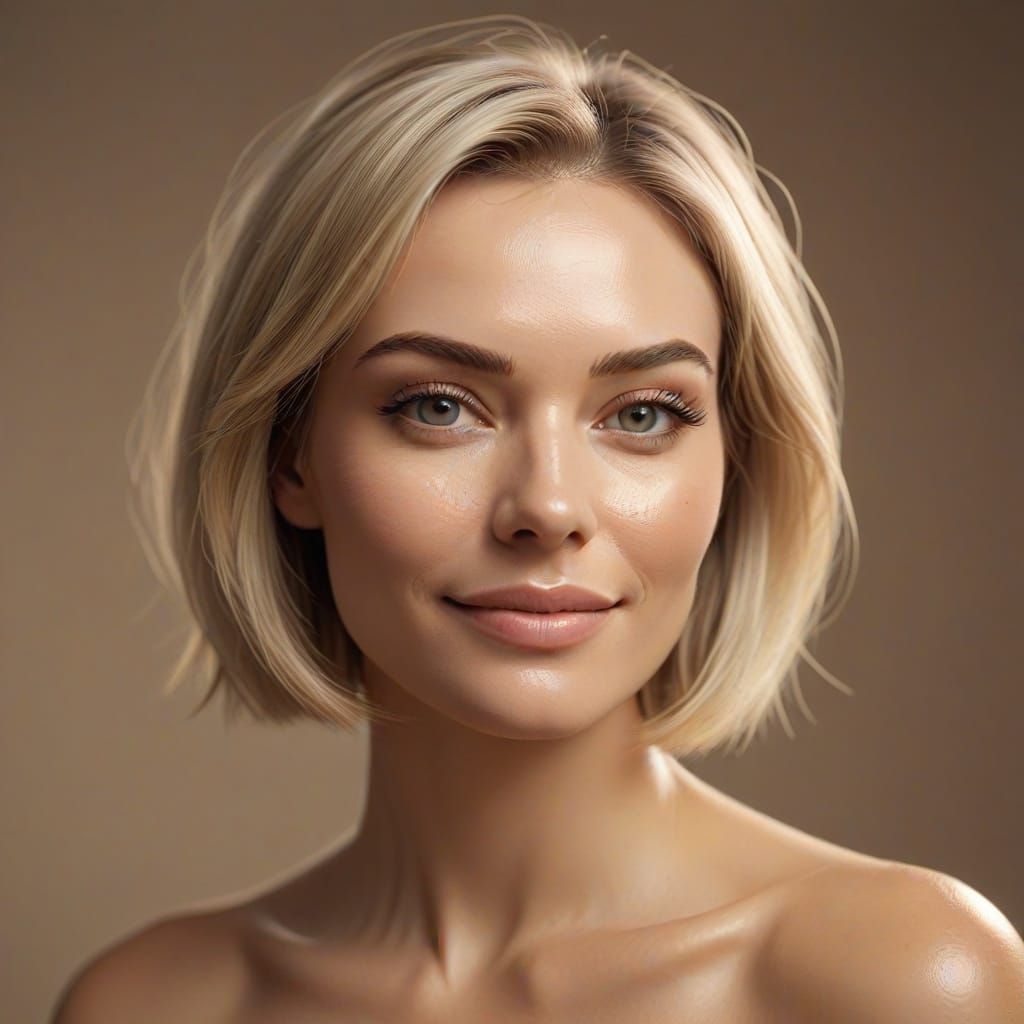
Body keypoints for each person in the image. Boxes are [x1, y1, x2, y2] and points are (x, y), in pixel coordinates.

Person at [53, 14, 1024, 1022]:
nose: (548, 508)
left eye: (643, 414)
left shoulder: (898, 980)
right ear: (289, 454)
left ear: (733, 458)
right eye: (437, 405)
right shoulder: (153, 1003)